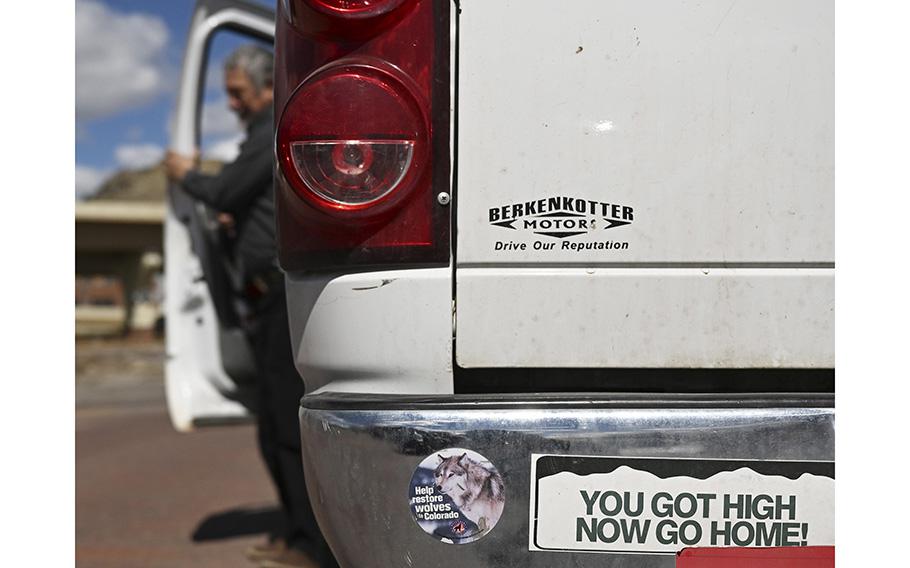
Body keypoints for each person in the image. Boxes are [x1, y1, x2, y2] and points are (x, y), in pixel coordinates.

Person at [165, 45, 337, 568]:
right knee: (272, 428)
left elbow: (221, 190)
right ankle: (295, 530)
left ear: (265, 88)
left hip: (279, 299)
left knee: (285, 428)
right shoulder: (259, 135)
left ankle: (312, 542)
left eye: (238, 92)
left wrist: (185, 174)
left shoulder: (269, 132)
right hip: (265, 303)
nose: (233, 103)